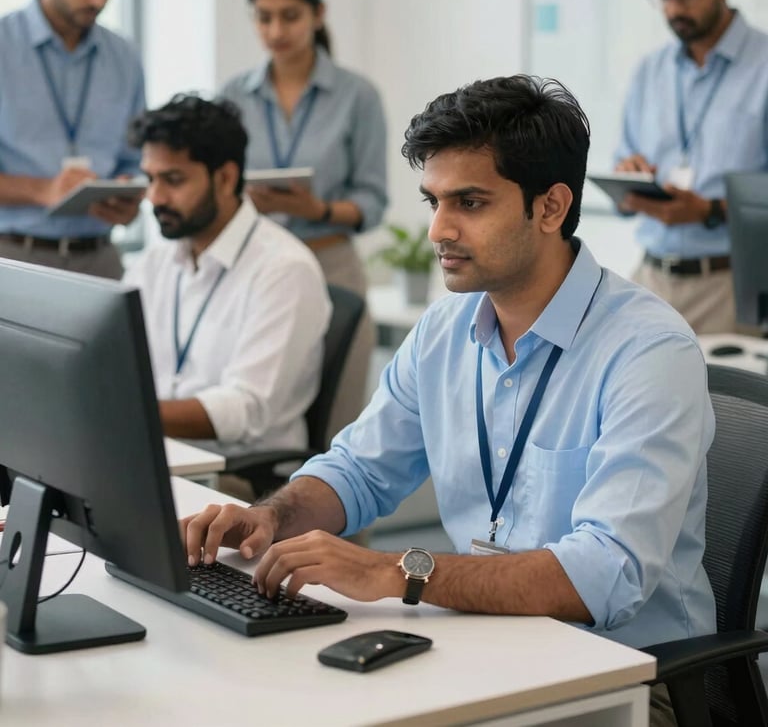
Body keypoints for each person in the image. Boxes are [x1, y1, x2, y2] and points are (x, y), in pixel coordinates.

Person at [183, 75, 715, 727]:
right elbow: (359, 469)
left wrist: (398, 572)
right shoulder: (444, 330)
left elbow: (604, 573)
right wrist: (272, 517)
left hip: (631, 678)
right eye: (432, 200)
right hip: (485, 642)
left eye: (469, 202)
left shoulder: (648, 352)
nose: (439, 228)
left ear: (549, 208)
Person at [220, 0, 387, 435]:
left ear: (319, 13)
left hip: (332, 263)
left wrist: (316, 209)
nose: (276, 31)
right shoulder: (234, 95)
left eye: (290, 16)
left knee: (338, 426)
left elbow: (373, 200)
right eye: (264, 17)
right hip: (255, 268)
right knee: (253, 414)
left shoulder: (358, 96)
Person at [123, 94, 331, 449]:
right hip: (160, 455)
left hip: (238, 478)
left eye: (173, 180)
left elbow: (246, 408)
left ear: (225, 177)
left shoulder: (284, 270)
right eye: (150, 179)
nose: (154, 198)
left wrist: (128, 415)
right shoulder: (153, 265)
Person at [615, 0, 768, 334]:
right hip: (649, 281)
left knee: (727, 402)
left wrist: (710, 212)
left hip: (729, 289)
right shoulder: (650, 71)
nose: (674, 9)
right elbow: (621, 160)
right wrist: (627, 180)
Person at [0, 0, 146, 279]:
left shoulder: (124, 58)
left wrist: (129, 200)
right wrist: (42, 189)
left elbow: (135, 161)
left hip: (100, 260)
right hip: (13, 257)